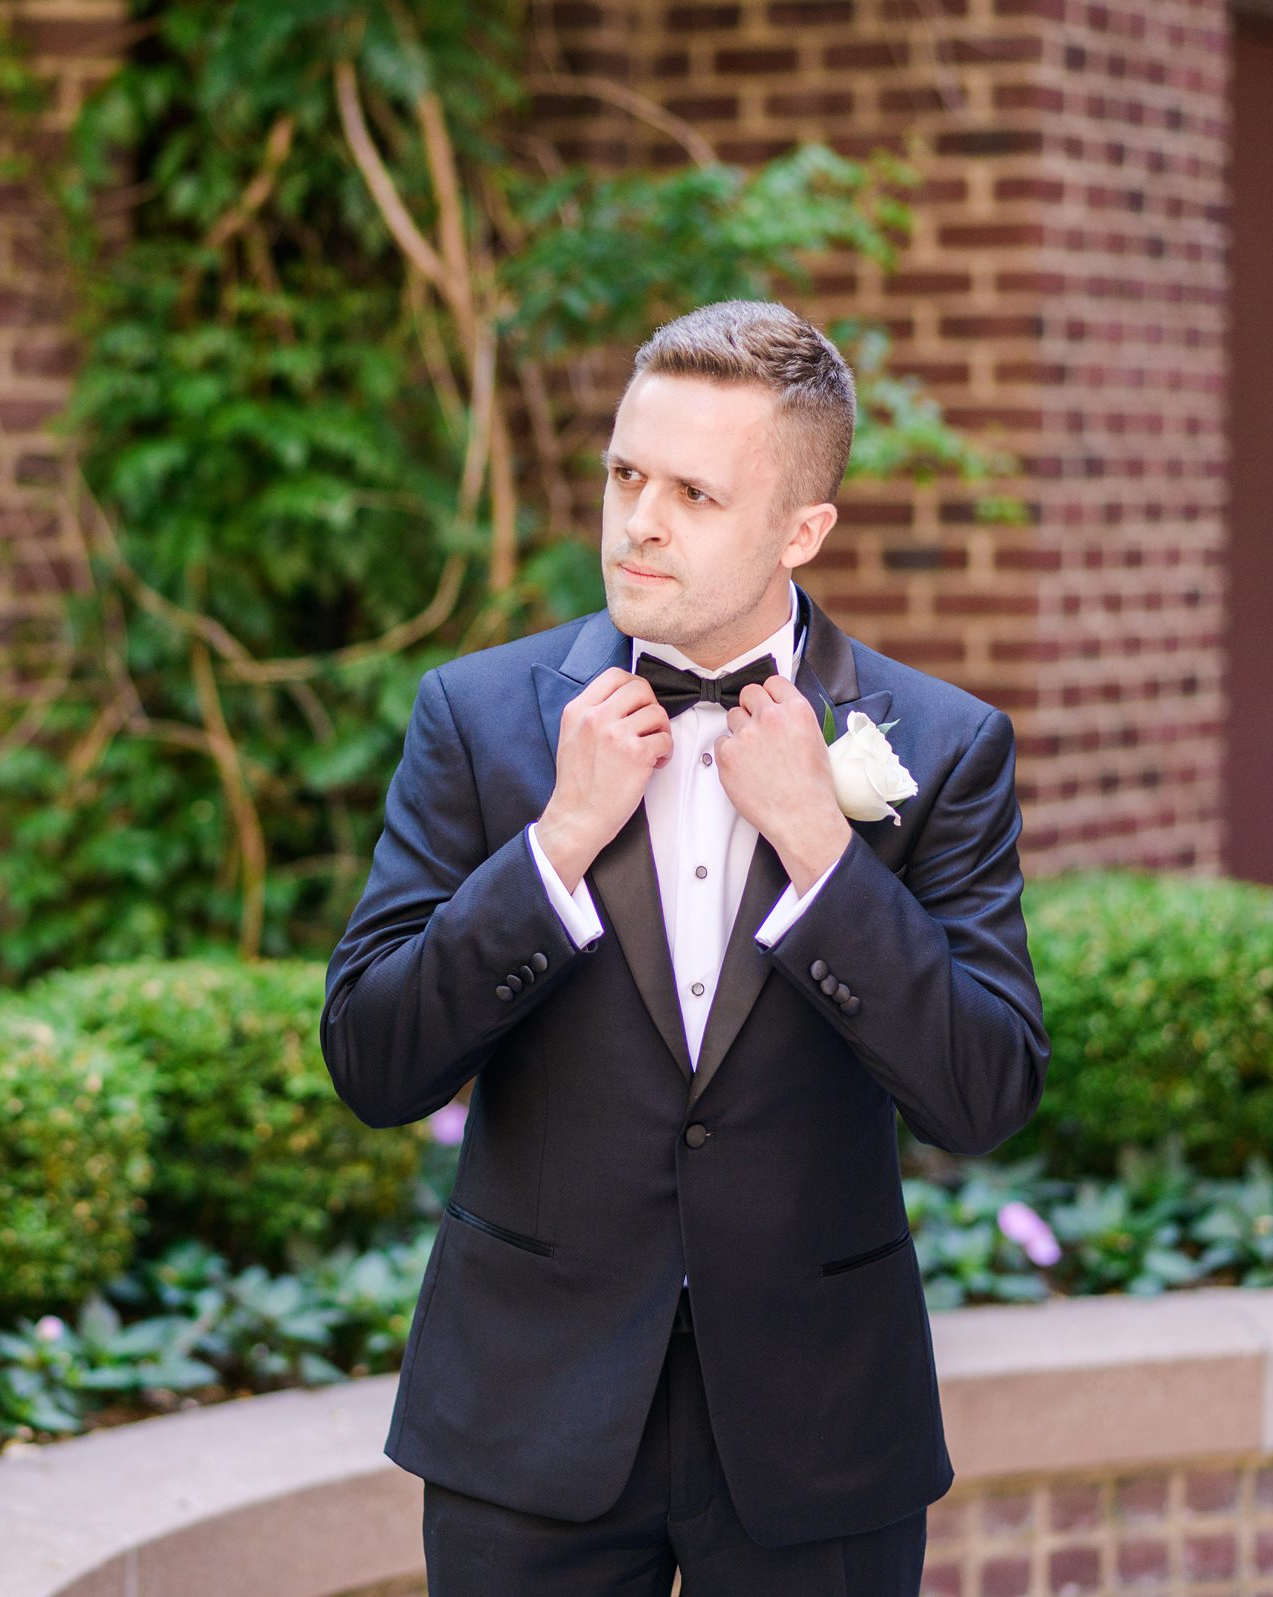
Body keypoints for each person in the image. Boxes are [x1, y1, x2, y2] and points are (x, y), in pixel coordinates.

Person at [320, 297, 1049, 1596]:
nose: (639, 519)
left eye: (695, 495)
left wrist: (826, 856)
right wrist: (553, 847)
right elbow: (376, 1062)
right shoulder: (478, 717)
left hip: (818, 1436)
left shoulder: (942, 746)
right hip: (526, 1419)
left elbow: (983, 1093)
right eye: (625, 474)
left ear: (801, 529)